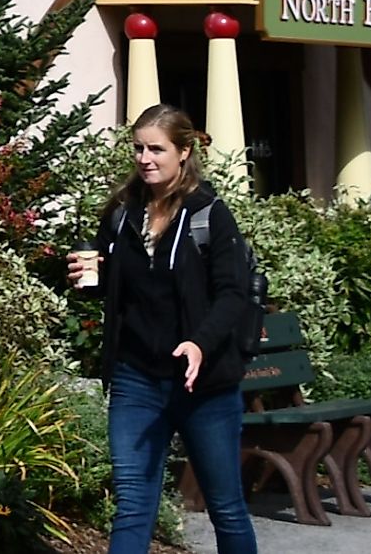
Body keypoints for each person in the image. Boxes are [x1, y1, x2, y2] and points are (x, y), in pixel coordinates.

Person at [66, 103, 257, 553]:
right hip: (137, 379)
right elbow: (123, 291)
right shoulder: (122, 214)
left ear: (184, 152)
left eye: (157, 149)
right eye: (138, 149)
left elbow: (232, 293)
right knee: (132, 503)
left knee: (225, 507)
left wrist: (199, 343)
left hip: (202, 384)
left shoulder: (208, 214)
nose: (145, 158)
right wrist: (87, 278)